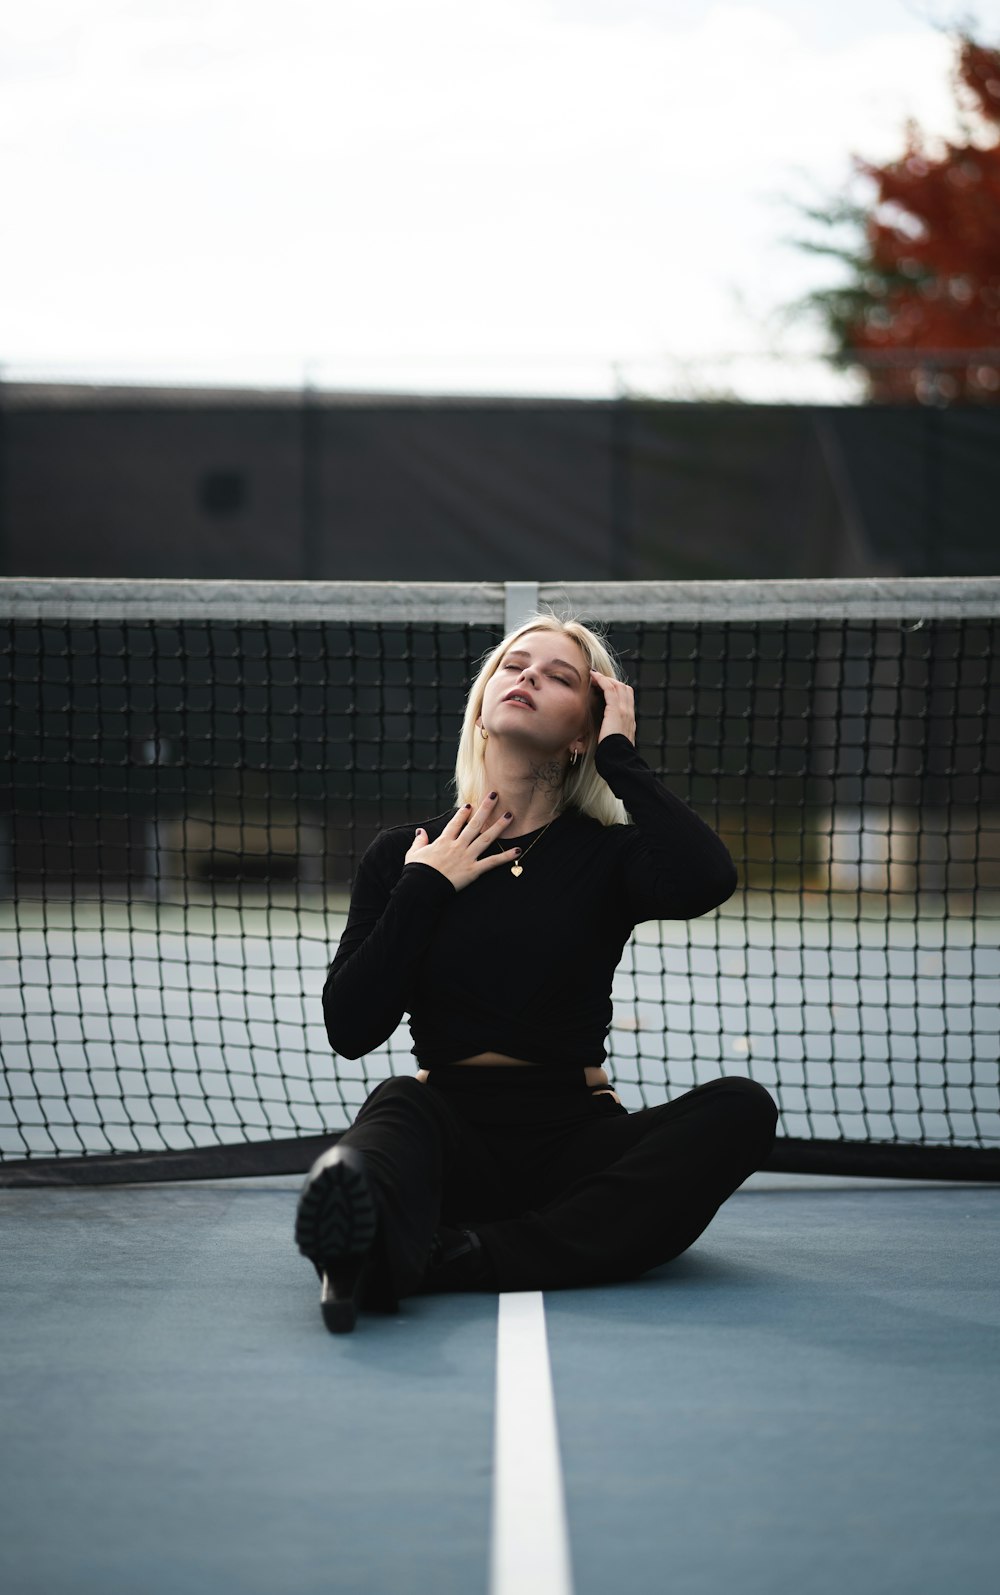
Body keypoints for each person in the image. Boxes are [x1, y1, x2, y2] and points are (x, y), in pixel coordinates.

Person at [295, 615, 778, 1332]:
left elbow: (707, 878)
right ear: (484, 701)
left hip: (573, 1138)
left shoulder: (610, 855)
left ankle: (450, 1256)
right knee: (387, 1118)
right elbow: (351, 1028)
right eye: (515, 666)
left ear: (582, 730)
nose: (527, 677)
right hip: (446, 1125)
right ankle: (358, 1230)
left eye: (559, 677)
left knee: (743, 1108)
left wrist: (620, 753)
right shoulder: (405, 853)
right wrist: (425, 886)